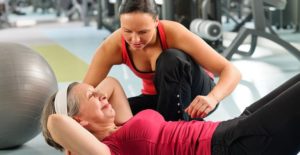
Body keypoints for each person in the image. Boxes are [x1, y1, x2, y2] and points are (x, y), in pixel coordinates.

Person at [41, 74, 300, 155]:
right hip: (233, 145)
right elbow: (56, 121)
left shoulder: (122, 125)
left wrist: (87, 95)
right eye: (92, 97)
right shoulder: (110, 151)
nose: (101, 95)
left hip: (232, 127)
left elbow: (111, 83)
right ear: (78, 121)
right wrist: (70, 145)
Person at [83, 0, 241, 121]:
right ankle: (166, 129)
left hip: (198, 94)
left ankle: (173, 134)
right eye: (127, 31)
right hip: (160, 99)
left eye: (143, 31)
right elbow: (84, 92)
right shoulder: (113, 46)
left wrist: (213, 98)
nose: (135, 39)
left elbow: (230, 70)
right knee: (108, 113)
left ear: (156, 21)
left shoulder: (174, 33)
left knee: (170, 58)